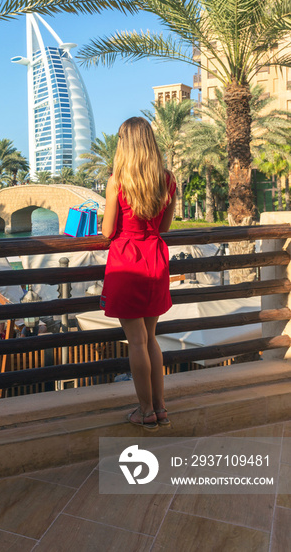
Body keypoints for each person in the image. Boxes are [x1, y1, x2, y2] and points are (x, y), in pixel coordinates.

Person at [100, 116, 176, 431]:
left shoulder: (118, 180)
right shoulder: (168, 179)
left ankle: (144, 411)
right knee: (151, 339)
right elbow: (166, 227)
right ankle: (160, 408)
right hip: (155, 259)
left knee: (135, 341)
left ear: (125, 144)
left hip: (127, 261)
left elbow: (106, 231)